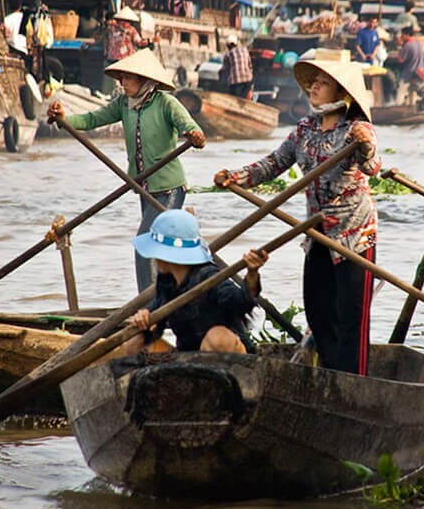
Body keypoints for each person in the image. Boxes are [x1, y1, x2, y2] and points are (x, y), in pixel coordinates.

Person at [213, 57, 380, 375]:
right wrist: (234, 176)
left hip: (354, 233)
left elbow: (373, 166)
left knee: (352, 316)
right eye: (313, 82)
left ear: (340, 93)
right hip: (316, 232)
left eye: (322, 83)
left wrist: (365, 146)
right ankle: (331, 372)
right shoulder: (305, 129)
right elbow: (274, 163)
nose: (314, 87)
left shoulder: (357, 129)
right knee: (317, 309)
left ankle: (355, 380)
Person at [46, 48, 206, 292]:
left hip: (170, 188)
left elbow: (191, 127)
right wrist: (64, 119)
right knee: (160, 247)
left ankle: (150, 302)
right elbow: (92, 119)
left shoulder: (166, 103)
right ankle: (168, 295)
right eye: (121, 78)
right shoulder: (124, 104)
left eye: (128, 78)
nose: (122, 83)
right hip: (144, 188)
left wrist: (194, 135)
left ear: (144, 80)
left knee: (146, 243)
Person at [122, 209, 269, 355]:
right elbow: (157, 316)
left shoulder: (208, 276)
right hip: (188, 355)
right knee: (135, 340)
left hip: (226, 355)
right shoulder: (167, 281)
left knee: (218, 337)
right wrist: (145, 316)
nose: (154, 258)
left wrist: (252, 273)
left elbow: (242, 302)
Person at [395, 26, 424, 104]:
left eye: (402, 35)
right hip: (418, 72)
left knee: (401, 92)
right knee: (412, 94)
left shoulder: (407, 46)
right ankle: (411, 108)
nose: (401, 37)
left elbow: (401, 60)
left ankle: (397, 108)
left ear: (407, 35)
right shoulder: (418, 43)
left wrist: (399, 48)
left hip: (408, 73)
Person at [221, 34, 253, 98]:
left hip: (235, 82)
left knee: (233, 96)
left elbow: (226, 69)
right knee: (245, 94)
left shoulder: (228, 54)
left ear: (228, 45)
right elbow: (250, 66)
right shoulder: (245, 50)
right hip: (248, 80)